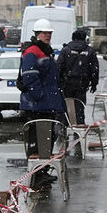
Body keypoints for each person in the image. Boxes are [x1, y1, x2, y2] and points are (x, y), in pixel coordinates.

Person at [19, 18, 66, 188]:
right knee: (37, 141)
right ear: (37, 34)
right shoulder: (33, 51)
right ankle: (36, 175)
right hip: (38, 105)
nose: (47, 35)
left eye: (49, 33)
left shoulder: (44, 51)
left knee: (47, 140)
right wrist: (39, 97)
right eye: (44, 33)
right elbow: (30, 77)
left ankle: (42, 172)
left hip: (46, 104)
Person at [57, 28, 100, 126]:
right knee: (79, 106)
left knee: (66, 105)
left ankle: (64, 127)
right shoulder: (90, 51)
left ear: (73, 38)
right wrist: (94, 83)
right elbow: (95, 69)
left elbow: (59, 67)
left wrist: (59, 81)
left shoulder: (66, 50)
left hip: (67, 83)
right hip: (82, 83)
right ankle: (79, 129)